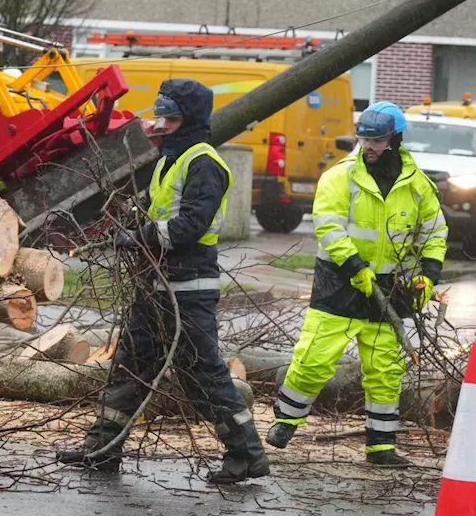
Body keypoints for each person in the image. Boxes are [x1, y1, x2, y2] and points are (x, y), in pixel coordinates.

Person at [55, 79, 268, 484]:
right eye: (161, 116)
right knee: (130, 365)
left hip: (187, 288)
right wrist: (127, 222)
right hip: (154, 286)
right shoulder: (169, 161)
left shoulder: (204, 163)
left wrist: (140, 237)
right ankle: (102, 448)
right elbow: (156, 213)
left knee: (202, 371)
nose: (161, 124)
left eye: (169, 118)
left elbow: (189, 225)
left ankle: (246, 454)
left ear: (189, 120)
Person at [266, 102, 447, 467]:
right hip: (340, 284)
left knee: (385, 369)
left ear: (396, 138)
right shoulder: (340, 177)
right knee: (314, 359)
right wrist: (353, 265)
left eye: (378, 140)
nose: (370, 146)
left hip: (391, 290)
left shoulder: (418, 186)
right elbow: (329, 225)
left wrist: (428, 275)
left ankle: (381, 445)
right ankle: (286, 420)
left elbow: (434, 232)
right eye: (365, 139)